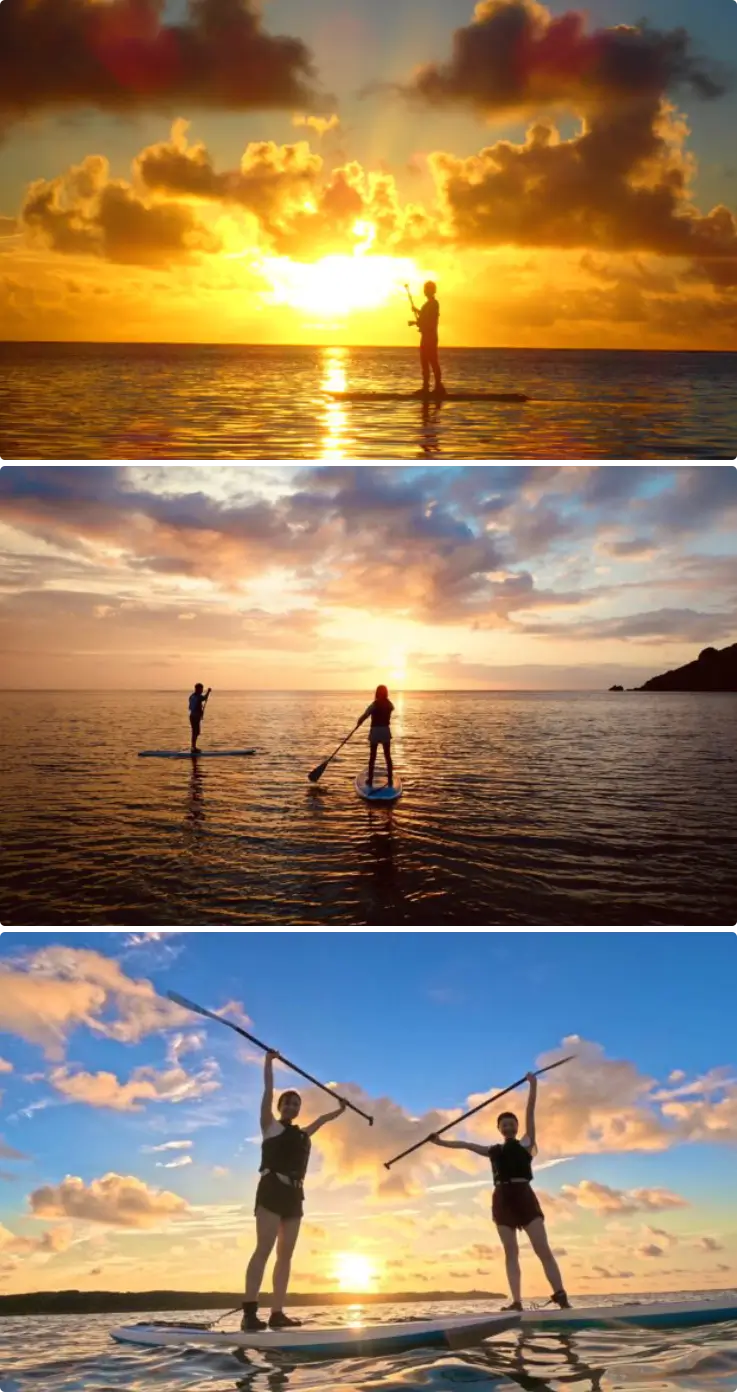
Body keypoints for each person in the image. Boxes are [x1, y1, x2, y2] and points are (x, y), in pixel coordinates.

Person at [429, 1072, 569, 1312]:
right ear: (499, 1129)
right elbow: (465, 1145)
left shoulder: (527, 1144)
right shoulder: (492, 1150)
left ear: (516, 1127)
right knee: (510, 1252)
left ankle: (561, 1296)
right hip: (502, 1200)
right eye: (504, 1124)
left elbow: (530, 1111)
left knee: (542, 1249)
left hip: (524, 1197)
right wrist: (440, 1142)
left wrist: (533, 1085)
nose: (508, 1126)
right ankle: (516, 1302)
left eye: (511, 1123)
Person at [242, 1050, 347, 1331]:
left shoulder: (302, 1134)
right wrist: (268, 1062)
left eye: (295, 1103)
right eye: (287, 1103)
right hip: (271, 1190)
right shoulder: (270, 1127)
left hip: (294, 1196)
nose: (291, 1106)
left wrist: (340, 1109)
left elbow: (322, 1120)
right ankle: (250, 1314)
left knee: (285, 1256)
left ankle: (277, 1313)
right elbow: (267, 1090)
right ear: (280, 1107)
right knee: (263, 1249)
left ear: (299, 1108)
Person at [356, 684, 394, 788]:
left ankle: (370, 780)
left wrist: (359, 721)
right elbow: (391, 708)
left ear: (377, 693)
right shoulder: (389, 704)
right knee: (387, 756)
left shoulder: (374, 704)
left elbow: (366, 714)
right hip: (385, 731)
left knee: (372, 756)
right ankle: (390, 779)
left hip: (376, 731)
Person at [411, 281, 444, 397]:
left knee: (433, 361)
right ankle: (426, 387)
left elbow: (430, 319)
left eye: (428, 289)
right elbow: (424, 317)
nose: (425, 291)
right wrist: (417, 312)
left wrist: (416, 321)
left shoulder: (434, 304)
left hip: (430, 336)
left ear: (432, 290)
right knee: (424, 361)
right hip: (425, 336)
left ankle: (438, 387)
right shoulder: (427, 304)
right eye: (425, 289)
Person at [188, 683, 210, 753]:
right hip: (195, 717)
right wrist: (208, 692)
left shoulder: (192, 696)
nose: (201, 690)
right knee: (195, 732)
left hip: (193, 716)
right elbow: (204, 698)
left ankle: (193, 746)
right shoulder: (197, 696)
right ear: (197, 689)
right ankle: (193, 747)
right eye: (201, 689)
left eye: (202, 689)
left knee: (196, 732)